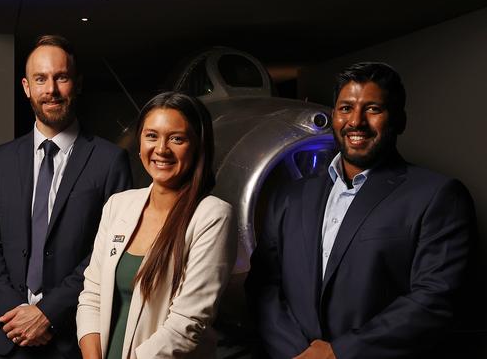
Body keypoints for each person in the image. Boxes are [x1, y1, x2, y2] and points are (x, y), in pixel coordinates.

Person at [246, 62, 477, 359]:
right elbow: (263, 286)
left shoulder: (438, 196)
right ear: (334, 116)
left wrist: (339, 354)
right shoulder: (292, 194)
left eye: (373, 109)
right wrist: (297, 354)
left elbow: (435, 299)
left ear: (399, 120)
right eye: (345, 108)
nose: (356, 121)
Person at [0, 34, 132, 359]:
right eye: (40, 79)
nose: (51, 90)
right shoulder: (1, 159)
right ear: (26, 87)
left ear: (77, 83)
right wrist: (16, 313)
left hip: (71, 339)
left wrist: (47, 313)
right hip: (6, 337)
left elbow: (110, 251)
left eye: (61, 77)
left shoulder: (109, 160)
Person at [76, 91, 237, 359]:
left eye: (177, 138)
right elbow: (92, 295)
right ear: (139, 143)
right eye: (151, 135)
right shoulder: (119, 205)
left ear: (197, 146)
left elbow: (186, 325)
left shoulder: (213, 216)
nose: (161, 149)